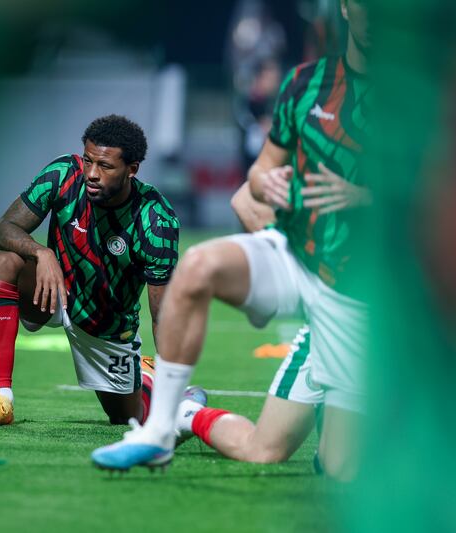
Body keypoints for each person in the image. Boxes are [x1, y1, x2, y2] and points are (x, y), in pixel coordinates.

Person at [92, 0, 371, 480]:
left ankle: (190, 417)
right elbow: (257, 176)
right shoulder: (305, 84)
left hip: (359, 294)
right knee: (199, 266)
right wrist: (267, 184)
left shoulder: (422, 96)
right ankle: (160, 429)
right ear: (345, 7)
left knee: (305, 462)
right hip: (300, 256)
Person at [0, 114, 200, 427]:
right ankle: (1, 399)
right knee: (4, 262)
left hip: (106, 326)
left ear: (132, 169)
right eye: (88, 160)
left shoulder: (155, 220)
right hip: (51, 291)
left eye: (105, 166)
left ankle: (147, 380)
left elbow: (163, 316)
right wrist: (42, 252)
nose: (92, 173)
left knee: (127, 418)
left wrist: (172, 382)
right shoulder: (63, 174)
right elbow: (2, 230)